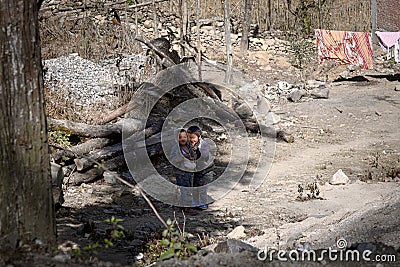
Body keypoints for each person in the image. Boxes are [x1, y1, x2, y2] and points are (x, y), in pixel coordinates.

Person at [186, 125, 214, 210]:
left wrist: (197, 150)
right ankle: (195, 201)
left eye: (193, 138)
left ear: (199, 137)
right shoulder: (189, 145)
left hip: (206, 171)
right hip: (196, 170)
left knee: (202, 188)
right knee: (194, 186)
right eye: (189, 137)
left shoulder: (203, 145)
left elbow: (204, 156)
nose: (191, 140)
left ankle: (203, 202)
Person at [170, 129, 196, 208]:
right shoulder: (176, 148)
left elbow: (194, 155)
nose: (182, 139)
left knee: (189, 189)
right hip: (181, 173)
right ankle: (186, 207)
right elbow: (172, 160)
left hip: (189, 172)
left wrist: (192, 158)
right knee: (184, 190)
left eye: (184, 137)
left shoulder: (188, 147)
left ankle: (186, 205)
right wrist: (182, 157)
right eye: (180, 137)